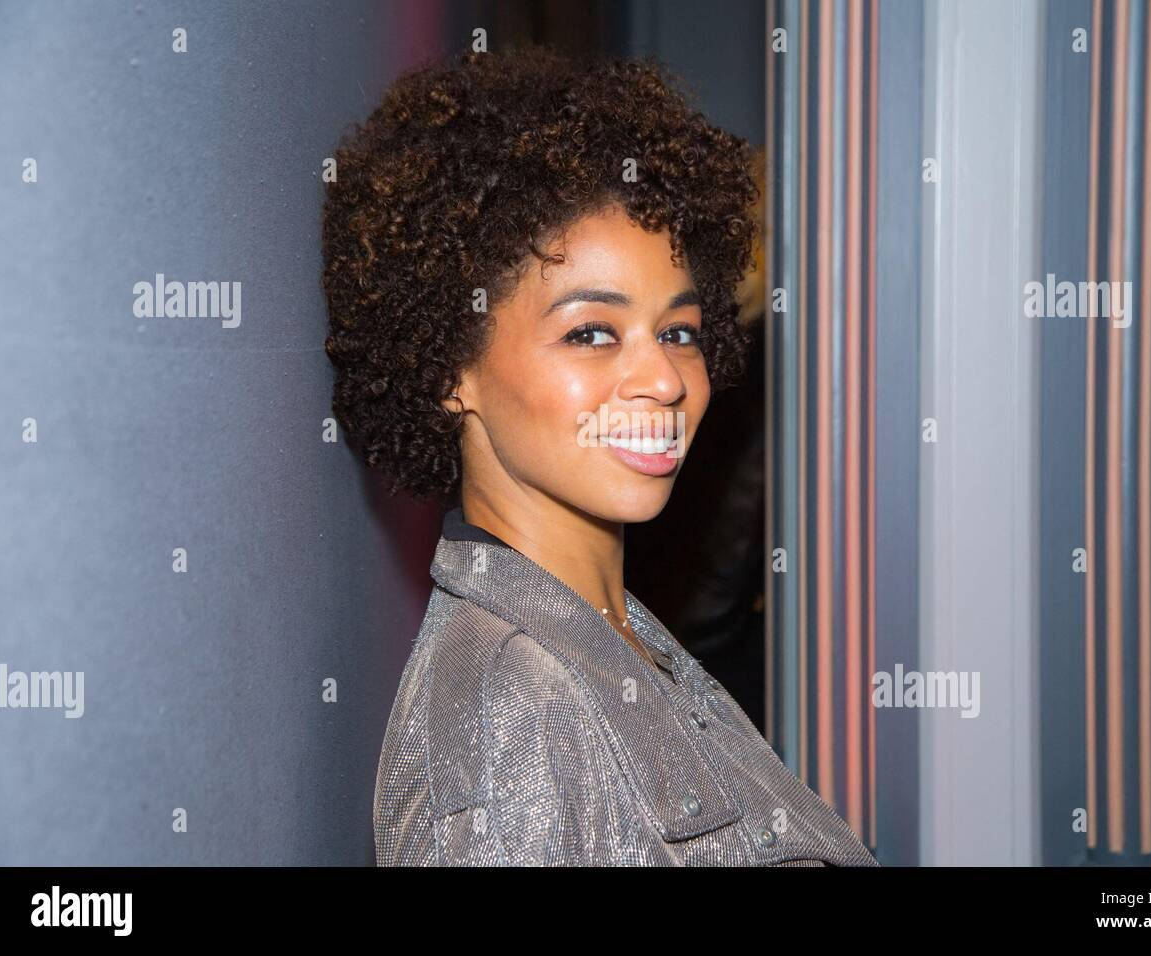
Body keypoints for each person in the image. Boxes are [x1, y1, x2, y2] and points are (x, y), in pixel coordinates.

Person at [322, 44, 879, 866]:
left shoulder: (612, 629)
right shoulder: (509, 721)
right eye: (591, 332)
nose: (664, 378)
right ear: (449, 368)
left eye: (679, 331)